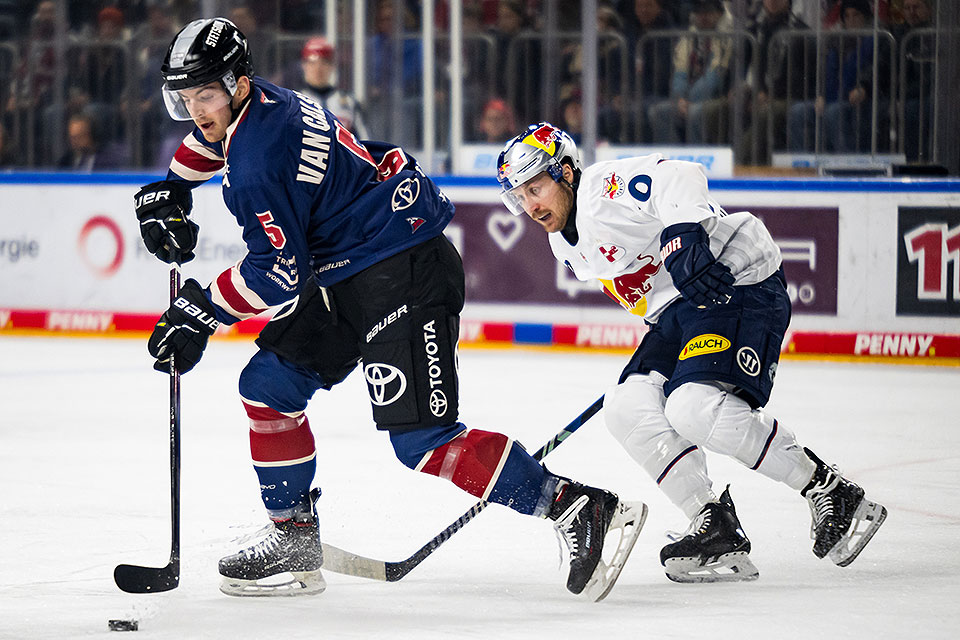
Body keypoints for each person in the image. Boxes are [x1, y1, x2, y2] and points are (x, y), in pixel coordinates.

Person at [133, 17, 645, 599]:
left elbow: (277, 275)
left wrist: (200, 311)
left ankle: (576, 507)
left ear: (237, 82)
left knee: (423, 441)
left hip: (401, 270)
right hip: (347, 272)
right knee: (267, 387)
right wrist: (172, 187)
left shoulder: (257, 161)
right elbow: (209, 137)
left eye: (206, 93)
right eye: (186, 97)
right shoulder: (258, 101)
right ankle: (295, 536)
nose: (198, 110)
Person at [496, 122, 887, 583]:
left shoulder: (602, 188)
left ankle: (828, 488)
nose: (530, 205)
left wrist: (683, 234)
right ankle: (713, 521)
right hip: (678, 314)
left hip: (737, 278)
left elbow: (678, 174)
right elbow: (645, 286)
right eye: (520, 196)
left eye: (536, 188)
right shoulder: (562, 244)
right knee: (625, 408)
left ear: (565, 172)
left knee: (693, 408)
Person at [298, 36, 369, 138]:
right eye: (312, 63)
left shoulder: (349, 103)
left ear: (332, 66)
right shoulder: (295, 102)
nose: (318, 69)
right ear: (304, 65)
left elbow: (364, 141)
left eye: (324, 62)